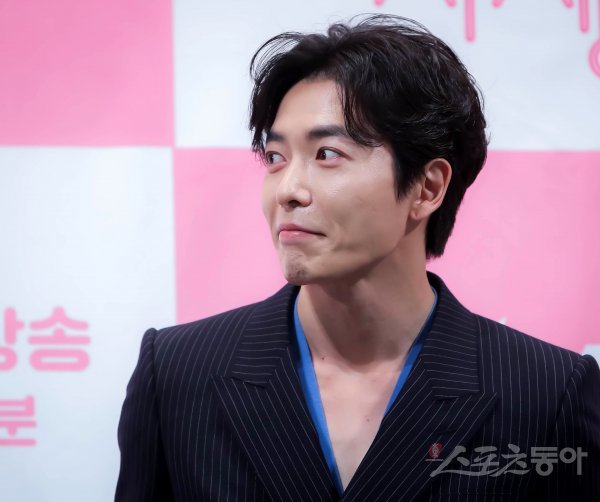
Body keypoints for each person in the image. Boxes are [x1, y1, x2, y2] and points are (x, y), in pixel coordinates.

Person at [115, 14, 600, 501]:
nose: (287, 190)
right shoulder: (177, 372)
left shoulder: (547, 392)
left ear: (427, 187)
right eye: (276, 158)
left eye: (327, 154)